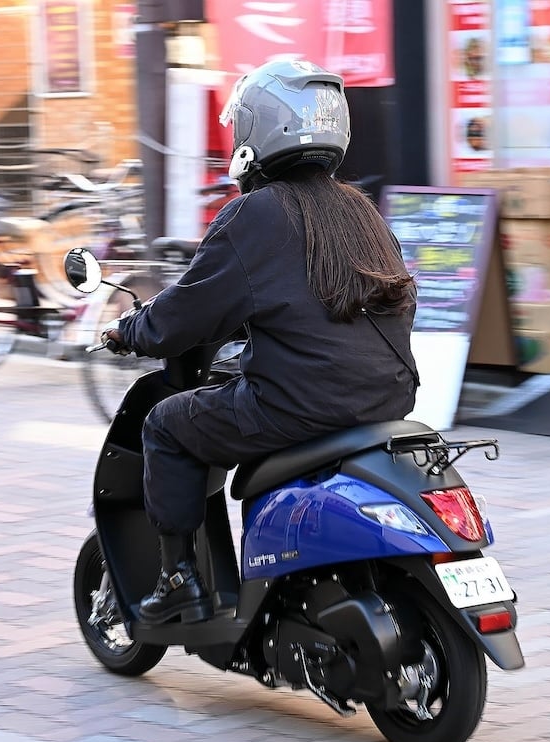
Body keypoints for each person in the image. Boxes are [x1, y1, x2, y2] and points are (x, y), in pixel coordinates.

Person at [101, 59, 420, 626]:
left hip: (299, 407)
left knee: (167, 424)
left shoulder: (254, 214)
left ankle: (179, 581)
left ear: (256, 131)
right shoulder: (361, 212)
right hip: (387, 397)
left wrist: (130, 330)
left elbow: (181, 316)